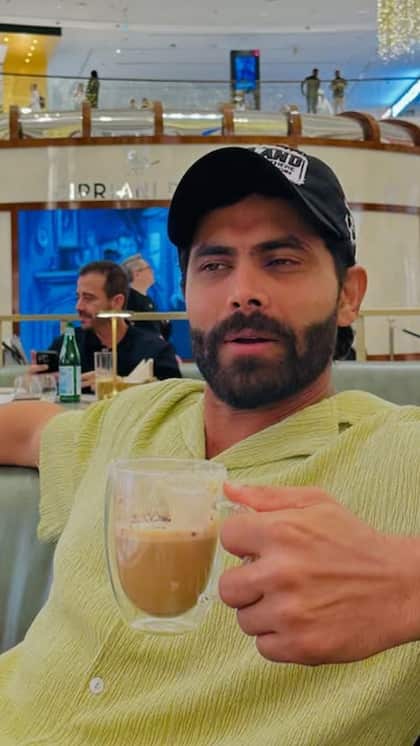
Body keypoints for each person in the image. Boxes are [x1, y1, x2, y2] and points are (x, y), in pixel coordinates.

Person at [2, 146, 420, 744]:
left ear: (348, 296)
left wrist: (408, 586)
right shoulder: (135, 416)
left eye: (281, 260)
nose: (242, 292)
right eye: (215, 265)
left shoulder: (401, 451)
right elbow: (27, 431)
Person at [34, 260, 180, 385]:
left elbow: (175, 399)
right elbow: (45, 394)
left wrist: (122, 385)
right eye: (78, 297)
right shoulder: (66, 346)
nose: (78, 306)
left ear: (117, 302)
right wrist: (35, 382)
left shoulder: (154, 350)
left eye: (88, 298)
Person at [121, 253, 163, 336]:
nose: (152, 271)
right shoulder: (128, 299)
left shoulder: (148, 300)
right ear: (137, 274)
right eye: (149, 268)